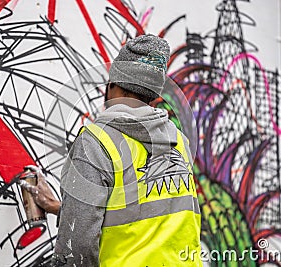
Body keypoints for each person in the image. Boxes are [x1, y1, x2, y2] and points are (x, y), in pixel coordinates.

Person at [21, 34, 202, 266]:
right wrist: (63, 209)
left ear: (113, 85)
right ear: (152, 95)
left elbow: (77, 247)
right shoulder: (178, 140)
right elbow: (145, 218)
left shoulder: (96, 142)